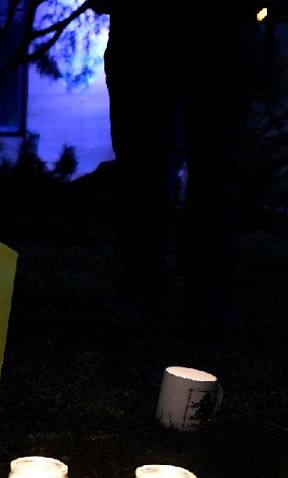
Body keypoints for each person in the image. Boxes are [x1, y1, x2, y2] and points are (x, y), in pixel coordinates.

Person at [101, 0, 265, 332]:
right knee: (163, 165)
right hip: (187, 26)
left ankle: (188, 292)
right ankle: (195, 294)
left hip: (197, 26)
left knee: (191, 167)